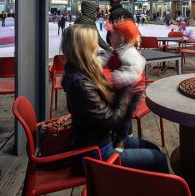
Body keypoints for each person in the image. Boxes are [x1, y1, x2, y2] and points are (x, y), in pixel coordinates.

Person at [61, 24, 168, 173]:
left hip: (103, 139)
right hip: (97, 153)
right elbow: (111, 120)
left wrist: (119, 85)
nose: (97, 48)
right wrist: (127, 89)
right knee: (159, 159)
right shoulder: (81, 85)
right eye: (93, 44)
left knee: (154, 148)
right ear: (84, 49)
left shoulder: (83, 71)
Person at [101, 18, 146, 147]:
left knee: (125, 116)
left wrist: (116, 77)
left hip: (133, 90)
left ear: (121, 37)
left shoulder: (130, 53)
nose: (109, 37)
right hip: (122, 88)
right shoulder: (115, 50)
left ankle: (122, 140)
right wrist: (95, 64)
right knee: (117, 111)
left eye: (112, 34)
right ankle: (122, 133)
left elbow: (134, 72)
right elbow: (104, 60)